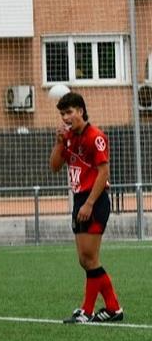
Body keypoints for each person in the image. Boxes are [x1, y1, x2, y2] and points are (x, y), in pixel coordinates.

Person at [51, 92, 123, 323]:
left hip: (95, 200)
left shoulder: (95, 136)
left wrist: (90, 203)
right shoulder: (69, 137)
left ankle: (91, 310)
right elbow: (54, 167)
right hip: (80, 199)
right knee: (85, 259)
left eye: (69, 112)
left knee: (90, 258)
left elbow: (104, 172)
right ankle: (111, 308)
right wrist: (59, 142)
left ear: (80, 111)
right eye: (62, 113)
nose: (66, 117)